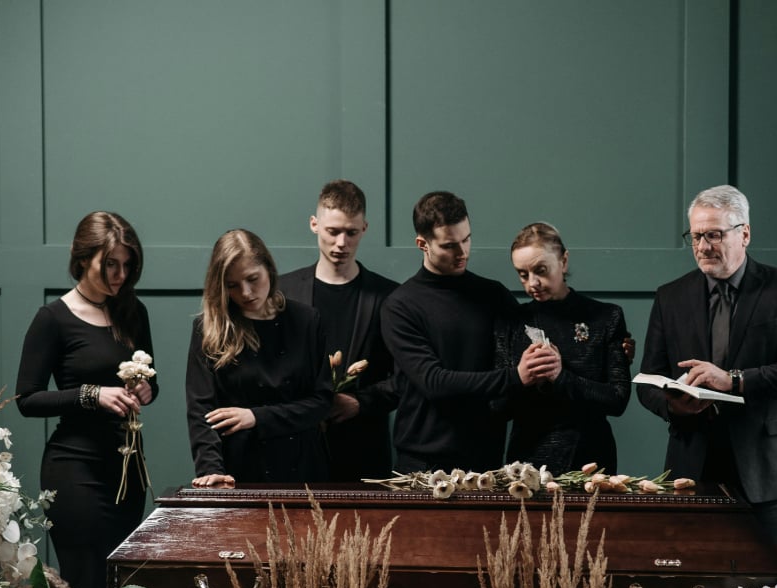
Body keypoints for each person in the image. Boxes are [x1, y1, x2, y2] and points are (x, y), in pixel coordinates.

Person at [637, 185, 777, 559]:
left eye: (714, 234)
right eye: (696, 236)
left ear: (745, 233)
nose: (704, 246)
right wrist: (675, 405)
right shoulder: (670, 296)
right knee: (696, 586)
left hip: (763, 466)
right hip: (692, 463)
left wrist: (734, 380)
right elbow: (648, 381)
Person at [16, 211, 157, 588]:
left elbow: (151, 381)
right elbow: (26, 399)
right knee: (85, 586)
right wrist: (92, 394)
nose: (120, 274)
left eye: (128, 265)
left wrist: (146, 390)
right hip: (74, 468)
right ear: (82, 259)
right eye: (110, 264)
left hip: (126, 472)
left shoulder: (132, 311)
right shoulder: (53, 319)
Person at [381, 191, 558, 472]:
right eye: (450, 245)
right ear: (422, 244)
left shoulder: (493, 294)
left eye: (466, 239)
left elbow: (543, 332)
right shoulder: (400, 306)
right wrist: (515, 377)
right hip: (422, 461)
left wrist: (609, 343)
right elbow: (433, 382)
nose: (463, 252)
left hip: (486, 458)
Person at [187, 229, 332, 487]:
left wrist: (257, 417)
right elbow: (202, 411)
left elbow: (321, 402)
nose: (245, 292)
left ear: (269, 270)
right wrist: (211, 470)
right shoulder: (207, 328)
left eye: (253, 279)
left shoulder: (307, 320)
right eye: (232, 285)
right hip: (238, 469)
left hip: (302, 467)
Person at [280, 180, 399, 482]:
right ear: (314, 224)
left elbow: (406, 378)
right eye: (333, 232)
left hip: (365, 452)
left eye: (351, 232)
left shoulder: (389, 296)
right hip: (295, 451)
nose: (342, 243)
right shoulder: (284, 291)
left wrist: (361, 403)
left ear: (365, 228)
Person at [496, 222, 631, 473]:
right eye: (523, 274)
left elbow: (617, 400)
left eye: (541, 270)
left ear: (564, 262)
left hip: (591, 461)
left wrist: (561, 377)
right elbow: (498, 407)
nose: (531, 283)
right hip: (527, 464)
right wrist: (520, 377)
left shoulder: (606, 317)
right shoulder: (511, 322)